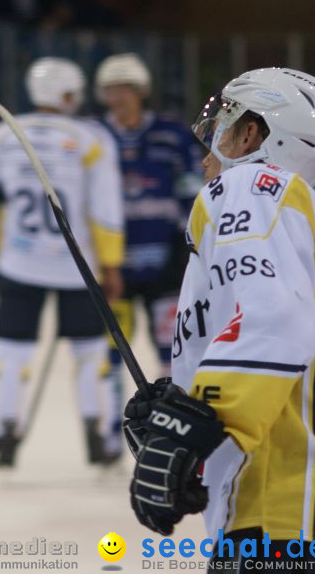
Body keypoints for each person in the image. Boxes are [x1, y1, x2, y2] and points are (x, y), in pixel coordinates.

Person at [126, 68, 315, 574]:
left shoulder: (251, 187)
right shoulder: (300, 219)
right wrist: (184, 401)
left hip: (282, 512)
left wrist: (186, 428)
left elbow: (272, 321)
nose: (206, 154)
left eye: (223, 125)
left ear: (252, 133)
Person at [0, 57, 125, 467]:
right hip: (76, 263)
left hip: (19, 262)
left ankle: (7, 432)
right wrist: (111, 263)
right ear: (67, 94)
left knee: (13, 353)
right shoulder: (91, 138)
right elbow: (105, 207)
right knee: (89, 353)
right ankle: (95, 433)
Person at [94, 53, 204, 458]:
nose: (118, 97)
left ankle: (167, 427)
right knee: (110, 353)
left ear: (141, 91)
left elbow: (194, 191)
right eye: (111, 89)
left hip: (163, 265)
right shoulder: (94, 136)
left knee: (170, 350)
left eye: (125, 89)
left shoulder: (173, 135)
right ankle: (109, 433)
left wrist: (187, 248)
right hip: (113, 268)